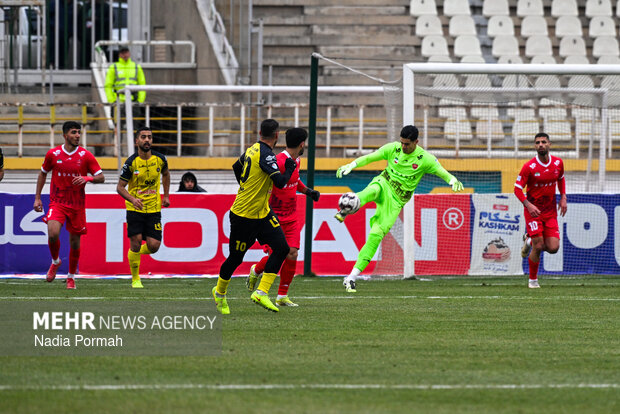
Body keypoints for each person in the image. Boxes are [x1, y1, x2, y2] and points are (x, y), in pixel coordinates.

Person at [336, 125, 464, 292]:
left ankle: (351, 277)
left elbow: (441, 172)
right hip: (384, 183)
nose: (403, 146)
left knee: (375, 236)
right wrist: (352, 164)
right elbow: (371, 157)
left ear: (416, 142)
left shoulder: (425, 159)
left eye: (407, 144)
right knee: (373, 190)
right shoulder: (393, 148)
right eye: (402, 142)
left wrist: (452, 180)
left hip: (396, 201)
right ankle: (349, 205)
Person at [212, 119, 297, 314]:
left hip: (263, 213)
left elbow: (236, 166)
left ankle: (261, 292)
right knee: (235, 259)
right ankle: (219, 293)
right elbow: (280, 182)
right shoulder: (266, 155)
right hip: (244, 215)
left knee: (282, 248)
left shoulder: (252, 149)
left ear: (260, 133)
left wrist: (246, 185)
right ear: (277, 135)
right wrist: (290, 169)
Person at [246, 128, 320, 307]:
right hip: (273, 217)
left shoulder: (296, 161)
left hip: (292, 217)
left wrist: (307, 191)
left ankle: (282, 296)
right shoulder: (278, 162)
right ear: (302, 144)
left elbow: (294, 180)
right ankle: (256, 270)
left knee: (292, 253)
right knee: (277, 255)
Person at [33, 121, 105, 289]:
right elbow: (43, 174)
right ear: (65, 135)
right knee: (52, 233)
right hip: (58, 202)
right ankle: (55, 261)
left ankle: (71, 276)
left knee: (74, 242)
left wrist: (87, 178)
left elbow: (101, 177)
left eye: (79, 132)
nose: (77, 135)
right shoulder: (53, 154)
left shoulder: (86, 155)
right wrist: (37, 198)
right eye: (74, 132)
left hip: (77, 205)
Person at [117, 126, 170, 288]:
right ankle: (135, 279)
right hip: (135, 209)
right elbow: (120, 187)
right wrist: (133, 200)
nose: (147, 140)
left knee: (154, 246)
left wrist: (166, 196)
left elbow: (166, 174)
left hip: (154, 208)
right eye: (143, 137)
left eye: (149, 137)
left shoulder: (160, 159)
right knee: (136, 241)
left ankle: (134, 254)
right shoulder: (131, 163)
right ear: (137, 141)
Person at [515, 132, 567, 289]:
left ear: (549, 144)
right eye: (538, 142)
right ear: (534, 146)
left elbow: (561, 179)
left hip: (550, 212)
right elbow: (517, 189)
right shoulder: (529, 167)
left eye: (544, 142)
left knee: (553, 248)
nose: (541, 145)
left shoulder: (558, 163)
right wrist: (528, 205)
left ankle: (529, 240)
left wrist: (563, 197)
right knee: (538, 246)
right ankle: (533, 280)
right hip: (533, 212)